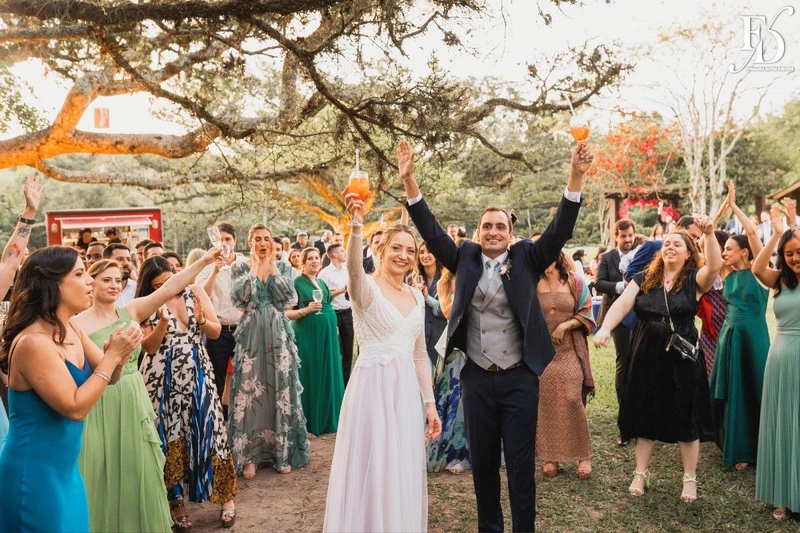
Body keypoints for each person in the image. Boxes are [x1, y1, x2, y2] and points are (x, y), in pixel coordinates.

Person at [404, 139, 591, 532]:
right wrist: (410, 181)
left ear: (510, 232)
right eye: (486, 226)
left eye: (500, 226)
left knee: (521, 466)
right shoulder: (465, 257)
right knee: (484, 464)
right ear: (478, 231)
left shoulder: (528, 257)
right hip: (476, 379)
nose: (493, 232)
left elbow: (560, 230)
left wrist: (575, 175)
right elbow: (432, 232)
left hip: (520, 377)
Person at [75, 250, 223, 532]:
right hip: (99, 399)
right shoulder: (76, 322)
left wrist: (204, 262)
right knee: (101, 471)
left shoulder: (130, 311)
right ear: (90, 282)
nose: (114, 285)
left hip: (132, 395)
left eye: (118, 280)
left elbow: (170, 286)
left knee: (138, 468)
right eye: (106, 279)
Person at [0, 246, 143, 532]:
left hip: (66, 472)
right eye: (80, 273)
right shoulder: (33, 343)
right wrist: (113, 357)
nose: (90, 280)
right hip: (34, 474)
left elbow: (108, 377)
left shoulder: (71, 327)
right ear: (52, 284)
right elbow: (75, 407)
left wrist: (120, 352)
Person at [323, 198, 441, 532]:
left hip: (404, 392)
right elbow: (352, 271)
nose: (403, 255)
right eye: (396, 248)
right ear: (382, 248)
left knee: (399, 466)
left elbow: (419, 354)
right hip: (372, 391)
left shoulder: (417, 297)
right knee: (371, 469)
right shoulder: (367, 289)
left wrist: (429, 404)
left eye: (410, 250)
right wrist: (356, 226)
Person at [594, 218, 722, 503]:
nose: (670, 247)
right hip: (646, 352)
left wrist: (710, 234)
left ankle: (689, 477)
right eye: (666, 244)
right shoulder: (644, 278)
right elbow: (623, 304)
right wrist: (604, 328)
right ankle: (641, 472)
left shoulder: (694, 280)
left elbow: (714, 267)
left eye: (677, 244)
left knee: (685, 414)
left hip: (682, 356)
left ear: (689, 253)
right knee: (645, 411)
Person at [137, 256, 238, 529]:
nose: (166, 287)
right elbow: (148, 347)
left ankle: (225, 497)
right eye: (158, 284)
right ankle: (176, 501)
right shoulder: (149, 302)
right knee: (170, 434)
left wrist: (203, 320)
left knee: (211, 428)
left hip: (198, 369)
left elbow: (215, 332)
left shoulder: (195, 291)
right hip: (161, 375)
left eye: (169, 281)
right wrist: (160, 322)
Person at [228, 224, 310, 477]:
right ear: (250, 242)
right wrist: (255, 266)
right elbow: (241, 298)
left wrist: (272, 264)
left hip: (277, 331)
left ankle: (281, 452)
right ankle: (250, 456)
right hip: (251, 333)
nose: (263, 244)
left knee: (280, 387)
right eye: (258, 240)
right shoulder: (239, 267)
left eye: (267, 239)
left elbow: (287, 297)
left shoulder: (284, 266)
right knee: (250, 391)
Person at [708, 185, 769, 472]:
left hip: (754, 338)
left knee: (754, 391)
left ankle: (757, 448)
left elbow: (754, 234)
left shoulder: (759, 272)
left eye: (729, 249)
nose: (724, 252)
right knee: (733, 393)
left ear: (744, 252)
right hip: (729, 337)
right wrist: (721, 209)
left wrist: (735, 208)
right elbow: (706, 238)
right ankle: (734, 446)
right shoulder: (723, 273)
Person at [752, 200, 800, 521]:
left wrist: (794, 222)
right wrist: (778, 233)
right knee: (784, 425)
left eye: (799, 252)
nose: (795, 258)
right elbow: (757, 268)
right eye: (790, 253)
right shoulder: (780, 281)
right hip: (782, 359)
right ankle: (782, 496)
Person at [536, 252, 595, 479]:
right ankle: (551, 457)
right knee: (546, 400)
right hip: (543, 353)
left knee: (572, 399)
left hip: (569, 349)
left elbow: (587, 312)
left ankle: (583, 455)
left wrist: (565, 326)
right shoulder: (532, 282)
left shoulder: (575, 281)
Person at [287, 248, 345, 436]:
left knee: (328, 371)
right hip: (308, 335)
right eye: (309, 258)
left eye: (316, 258)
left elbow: (328, 302)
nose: (314, 261)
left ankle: (329, 419)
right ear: (302, 263)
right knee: (311, 373)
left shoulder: (321, 281)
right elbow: (287, 312)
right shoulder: (296, 283)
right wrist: (305, 310)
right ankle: (309, 423)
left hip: (327, 334)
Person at [196, 222, 246, 410]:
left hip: (244, 329)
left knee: (246, 377)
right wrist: (215, 271)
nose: (224, 243)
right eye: (220, 239)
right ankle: (217, 421)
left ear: (235, 241)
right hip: (219, 331)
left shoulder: (245, 264)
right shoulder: (207, 265)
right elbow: (202, 294)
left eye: (228, 239)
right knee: (216, 378)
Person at [595, 219, 636, 446]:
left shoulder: (641, 253)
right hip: (616, 317)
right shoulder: (607, 257)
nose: (628, 240)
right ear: (616, 237)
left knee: (640, 362)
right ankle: (625, 419)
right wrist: (621, 287)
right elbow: (599, 283)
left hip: (639, 315)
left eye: (630, 235)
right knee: (624, 362)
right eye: (624, 236)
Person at [426, 267, 470, 474]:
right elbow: (446, 312)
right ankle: (450, 452)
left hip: (476, 346)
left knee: (467, 403)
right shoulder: (446, 283)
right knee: (451, 400)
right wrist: (466, 292)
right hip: (453, 350)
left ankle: (465, 453)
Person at [624, 216, 703, 282]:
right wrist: (651, 286)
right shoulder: (653, 246)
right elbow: (630, 273)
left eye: (697, 238)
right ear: (679, 229)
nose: (694, 241)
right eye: (693, 236)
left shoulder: (692, 257)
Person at [318, 243, 354, 385]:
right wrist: (341, 290)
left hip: (348, 313)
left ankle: (345, 384)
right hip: (333, 313)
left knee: (348, 350)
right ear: (333, 255)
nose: (345, 253)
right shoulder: (324, 274)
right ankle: (333, 381)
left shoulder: (347, 270)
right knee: (333, 349)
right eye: (342, 251)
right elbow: (322, 295)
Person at [416, 241, 447, 367]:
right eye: (421, 252)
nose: (425, 255)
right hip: (418, 338)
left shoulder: (446, 279)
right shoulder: (413, 278)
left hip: (439, 339)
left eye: (429, 252)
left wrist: (427, 298)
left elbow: (446, 311)